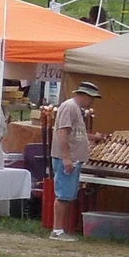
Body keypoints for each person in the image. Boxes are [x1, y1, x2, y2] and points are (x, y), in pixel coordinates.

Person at [49, 84, 94, 239]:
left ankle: (62, 229)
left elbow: (75, 132)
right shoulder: (69, 107)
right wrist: (66, 157)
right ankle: (57, 230)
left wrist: (93, 138)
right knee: (62, 195)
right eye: (92, 98)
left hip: (72, 158)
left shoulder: (75, 109)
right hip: (68, 158)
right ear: (85, 95)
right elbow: (63, 132)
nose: (92, 102)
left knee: (67, 195)